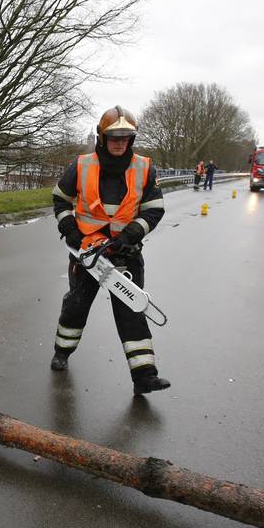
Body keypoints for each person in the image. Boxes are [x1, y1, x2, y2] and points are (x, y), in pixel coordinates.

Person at [50, 105, 170, 395]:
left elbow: (155, 209)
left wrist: (133, 232)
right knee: (77, 305)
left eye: (125, 138)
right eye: (114, 138)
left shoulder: (144, 167)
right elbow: (60, 200)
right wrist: (72, 231)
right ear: (102, 138)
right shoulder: (81, 165)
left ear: (132, 140)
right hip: (88, 253)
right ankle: (62, 353)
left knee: (131, 310)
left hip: (125, 253)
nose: (119, 143)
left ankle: (144, 376)